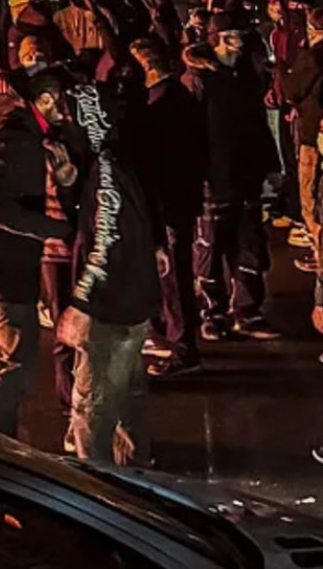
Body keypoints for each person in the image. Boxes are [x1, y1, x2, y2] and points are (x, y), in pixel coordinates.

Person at [0, 68, 73, 438]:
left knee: (5, 357)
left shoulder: (10, 127)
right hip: (1, 267)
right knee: (14, 362)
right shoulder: (17, 136)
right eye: (64, 102)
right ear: (46, 100)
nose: (68, 112)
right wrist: (58, 230)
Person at [59, 84, 160, 466]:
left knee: (93, 407)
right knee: (129, 395)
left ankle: (96, 486)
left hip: (110, 309)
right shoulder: (117, 161)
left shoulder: (105, 173)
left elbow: (105, 241)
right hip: (132, 300)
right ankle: (135, 473)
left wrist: (81, 303)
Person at [182, 26, 282, 342]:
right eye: (231, 34)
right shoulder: (198, 80)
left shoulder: (247, 75)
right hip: (213, 180)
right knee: (209, 251)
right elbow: (189, 133)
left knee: (250, 247)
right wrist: (195, 176)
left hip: (246, 177)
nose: (238, 42)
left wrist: (271, 166)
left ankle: (248, 312)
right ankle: (213, 313)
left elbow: (258, 123)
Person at [130, 39, 208, 377]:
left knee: (173, 276)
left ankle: (182, 347)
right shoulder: (177, 98)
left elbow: (165, 162)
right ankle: (173, 338)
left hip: (169, 205)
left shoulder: (162, 106)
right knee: (171, 275)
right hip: (177, 201)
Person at [282, 7, 323, 271]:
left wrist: (285, 76)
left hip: (313, 136)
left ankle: (319, 253)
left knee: (311, 199)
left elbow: (292, 90)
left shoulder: (313, 57)